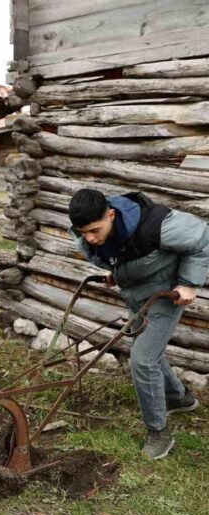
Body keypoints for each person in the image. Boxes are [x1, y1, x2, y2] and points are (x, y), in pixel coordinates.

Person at [69, 188, 209, 460]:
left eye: (94, 230)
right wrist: (114, 269)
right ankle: (179, 398)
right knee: (149, 351)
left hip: (163, 297)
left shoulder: (156, 226)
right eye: (82, 232)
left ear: (111, 214)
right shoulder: (91, 231)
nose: (89, 238)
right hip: (135, 296)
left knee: (142, 360)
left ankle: (159, 432)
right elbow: (113, 251)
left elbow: (203, 236)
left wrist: (189, 283)